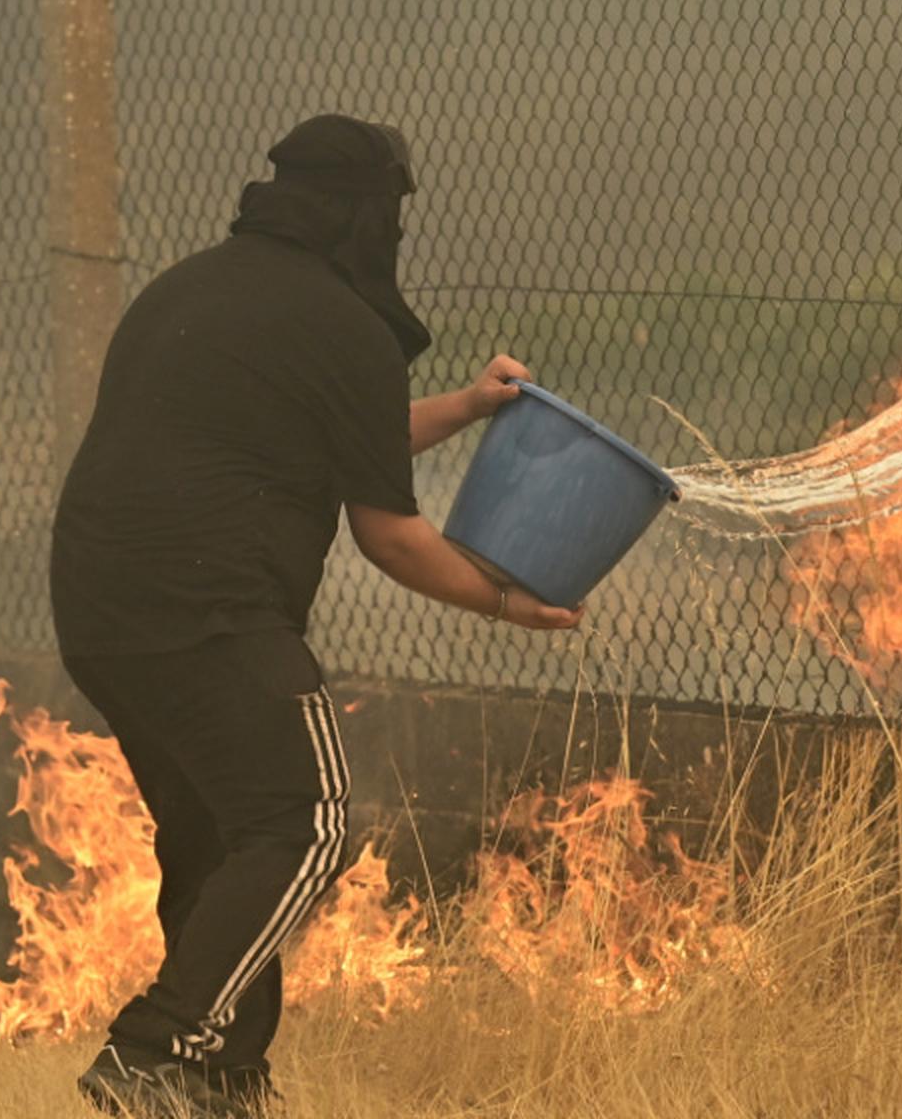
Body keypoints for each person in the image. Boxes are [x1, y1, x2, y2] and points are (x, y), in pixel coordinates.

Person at [50, 114, 581, 1117]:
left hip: (99, 610)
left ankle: (223, 1083)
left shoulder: (191, 287)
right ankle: (152, 1056)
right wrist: (509, 602)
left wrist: (467, 405)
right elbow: (391, 536)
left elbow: (347, 441)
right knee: (306, 822)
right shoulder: (346, 327)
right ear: (366, 216)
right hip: (207, 612)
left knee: (216, 837)